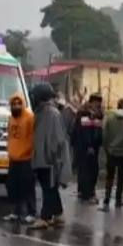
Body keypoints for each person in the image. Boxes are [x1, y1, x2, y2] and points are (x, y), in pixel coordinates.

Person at [28, 83, 72, 230]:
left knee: (48, 188)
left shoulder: (52, 114)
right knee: (50, 188)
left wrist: (55, 158)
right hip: (40, 157)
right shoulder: (41, 112)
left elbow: (58, 139)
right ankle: (59, 214)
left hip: (49, 159)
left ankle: (45, 217)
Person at [3, 92, 36, 224]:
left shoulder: (29, 117)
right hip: (13, 158)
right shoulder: (11, 118)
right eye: (13, 104)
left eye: (18, 103)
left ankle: (31, 212)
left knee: (27, 187)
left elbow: (33, 137)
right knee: (12, 186)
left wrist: (30, 152)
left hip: (26, 158)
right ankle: (16, 212)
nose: (16, 106)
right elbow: (10, 135)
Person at [99, 97, 123, 211]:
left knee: (109, 177)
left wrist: (106, 148)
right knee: (121, 177)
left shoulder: (109, 118)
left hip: (111, 152)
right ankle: (118, 201)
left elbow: (104, 135)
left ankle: (106, 200)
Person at [71, 93, 104, 203]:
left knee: (86, 170)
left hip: (92, 147)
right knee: (89, 171)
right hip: (86, 147)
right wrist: (89, 145)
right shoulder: (86, 114)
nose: (99, 105)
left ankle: (84, 192)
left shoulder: (96, 114)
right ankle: (87, 194)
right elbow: (85, 132)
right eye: (97, 102)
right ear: (91, 102)